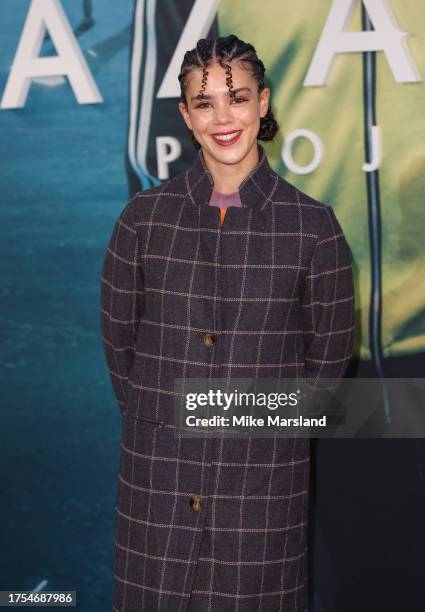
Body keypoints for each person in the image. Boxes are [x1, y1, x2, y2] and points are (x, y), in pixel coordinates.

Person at [100, 34, 355, 612]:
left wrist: (220, 418)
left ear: (262, 104)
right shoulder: (143, 222)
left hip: (260, 507)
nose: (223, 117)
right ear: (186, 116)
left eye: (237, 98)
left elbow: (325, 378)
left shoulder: (312, 229)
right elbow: (124, 357)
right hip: (156, 500)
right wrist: (171, 422)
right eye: (205, 101)